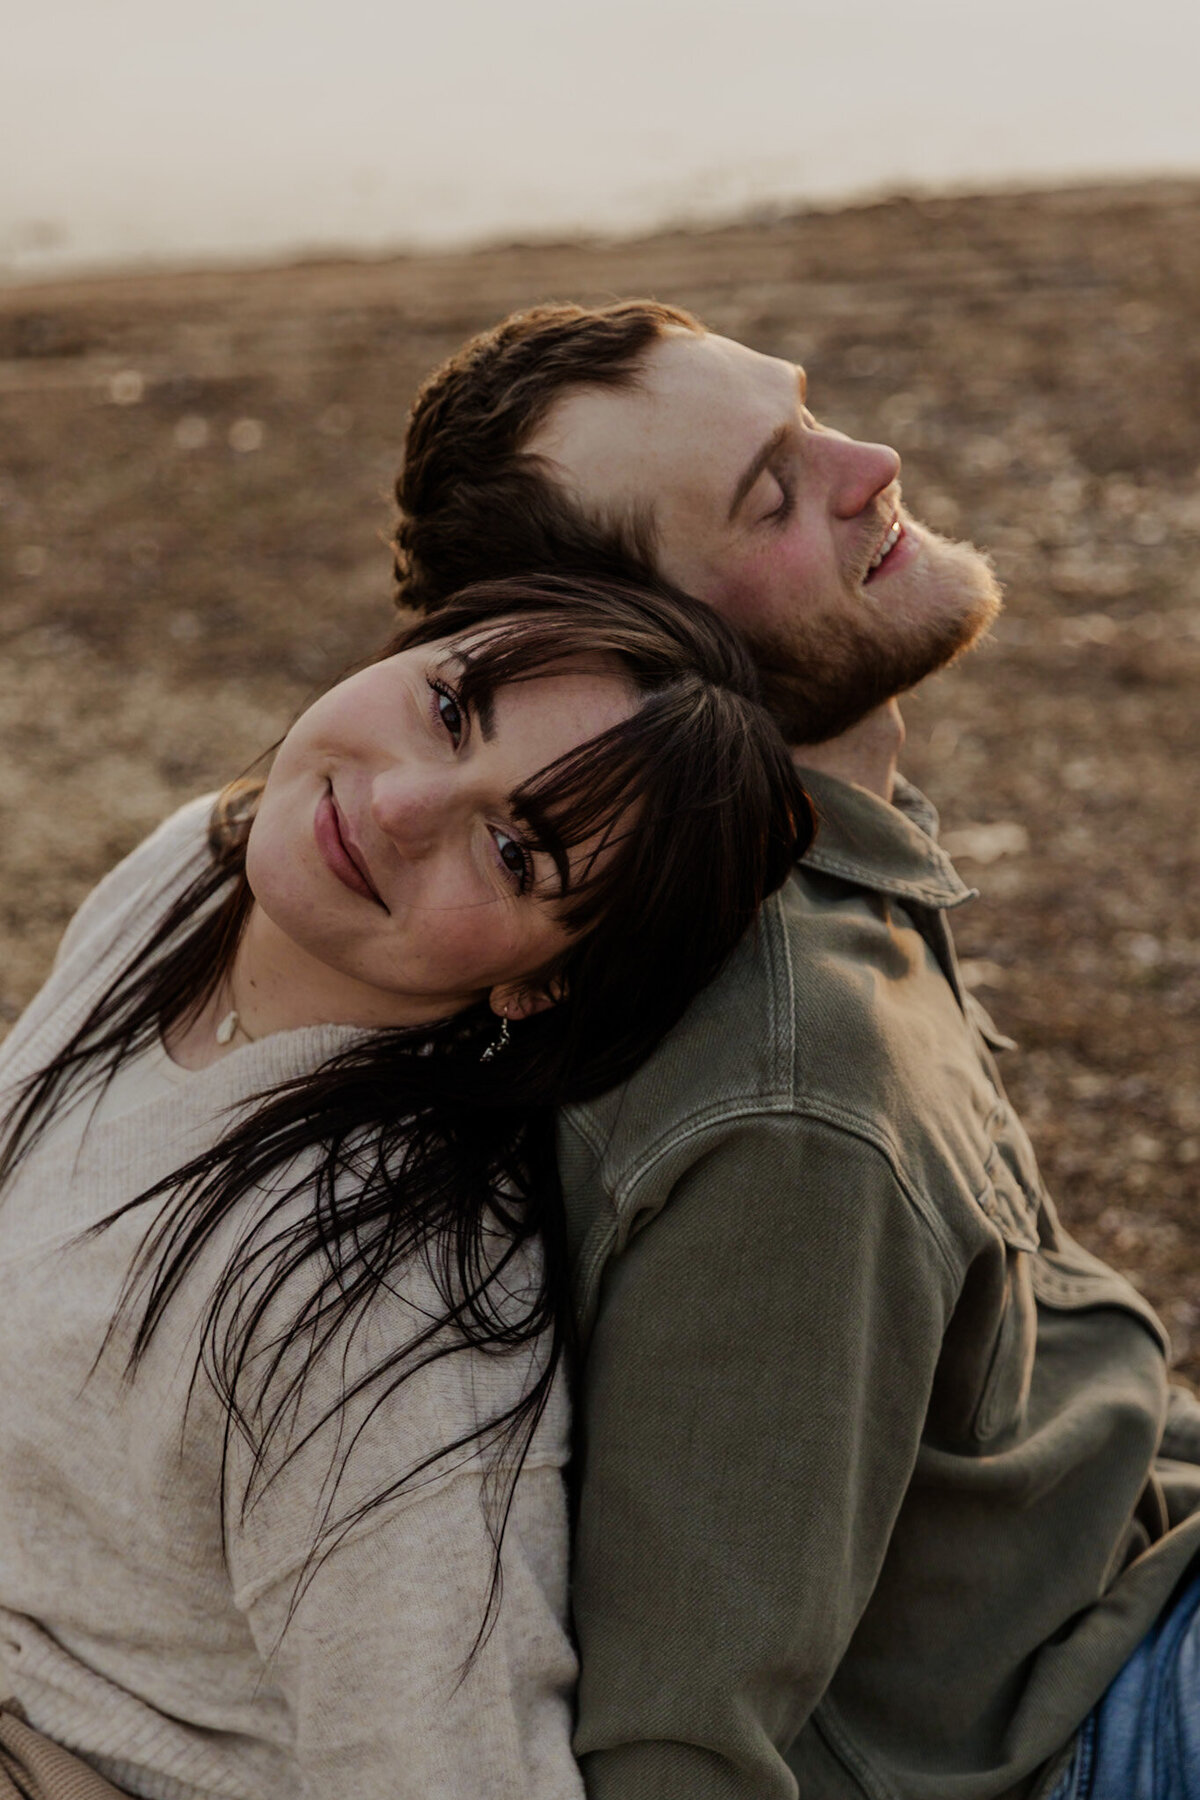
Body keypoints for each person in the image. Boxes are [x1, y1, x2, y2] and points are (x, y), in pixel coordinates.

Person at [391, 302, 1200, 1800]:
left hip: (1113, 1567)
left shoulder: (815, 874)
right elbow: (682, 1744)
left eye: (809, 411)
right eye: (772, 491)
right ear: (656, 652)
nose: (873, 461)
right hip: (1078, 1724)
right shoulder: (794, 1085)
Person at [0, 572, 808, 1800]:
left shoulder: (381, 1320)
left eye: (511, 851)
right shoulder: (196, 878)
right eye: (450, 709)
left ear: (544, 987)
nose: (395, 804)